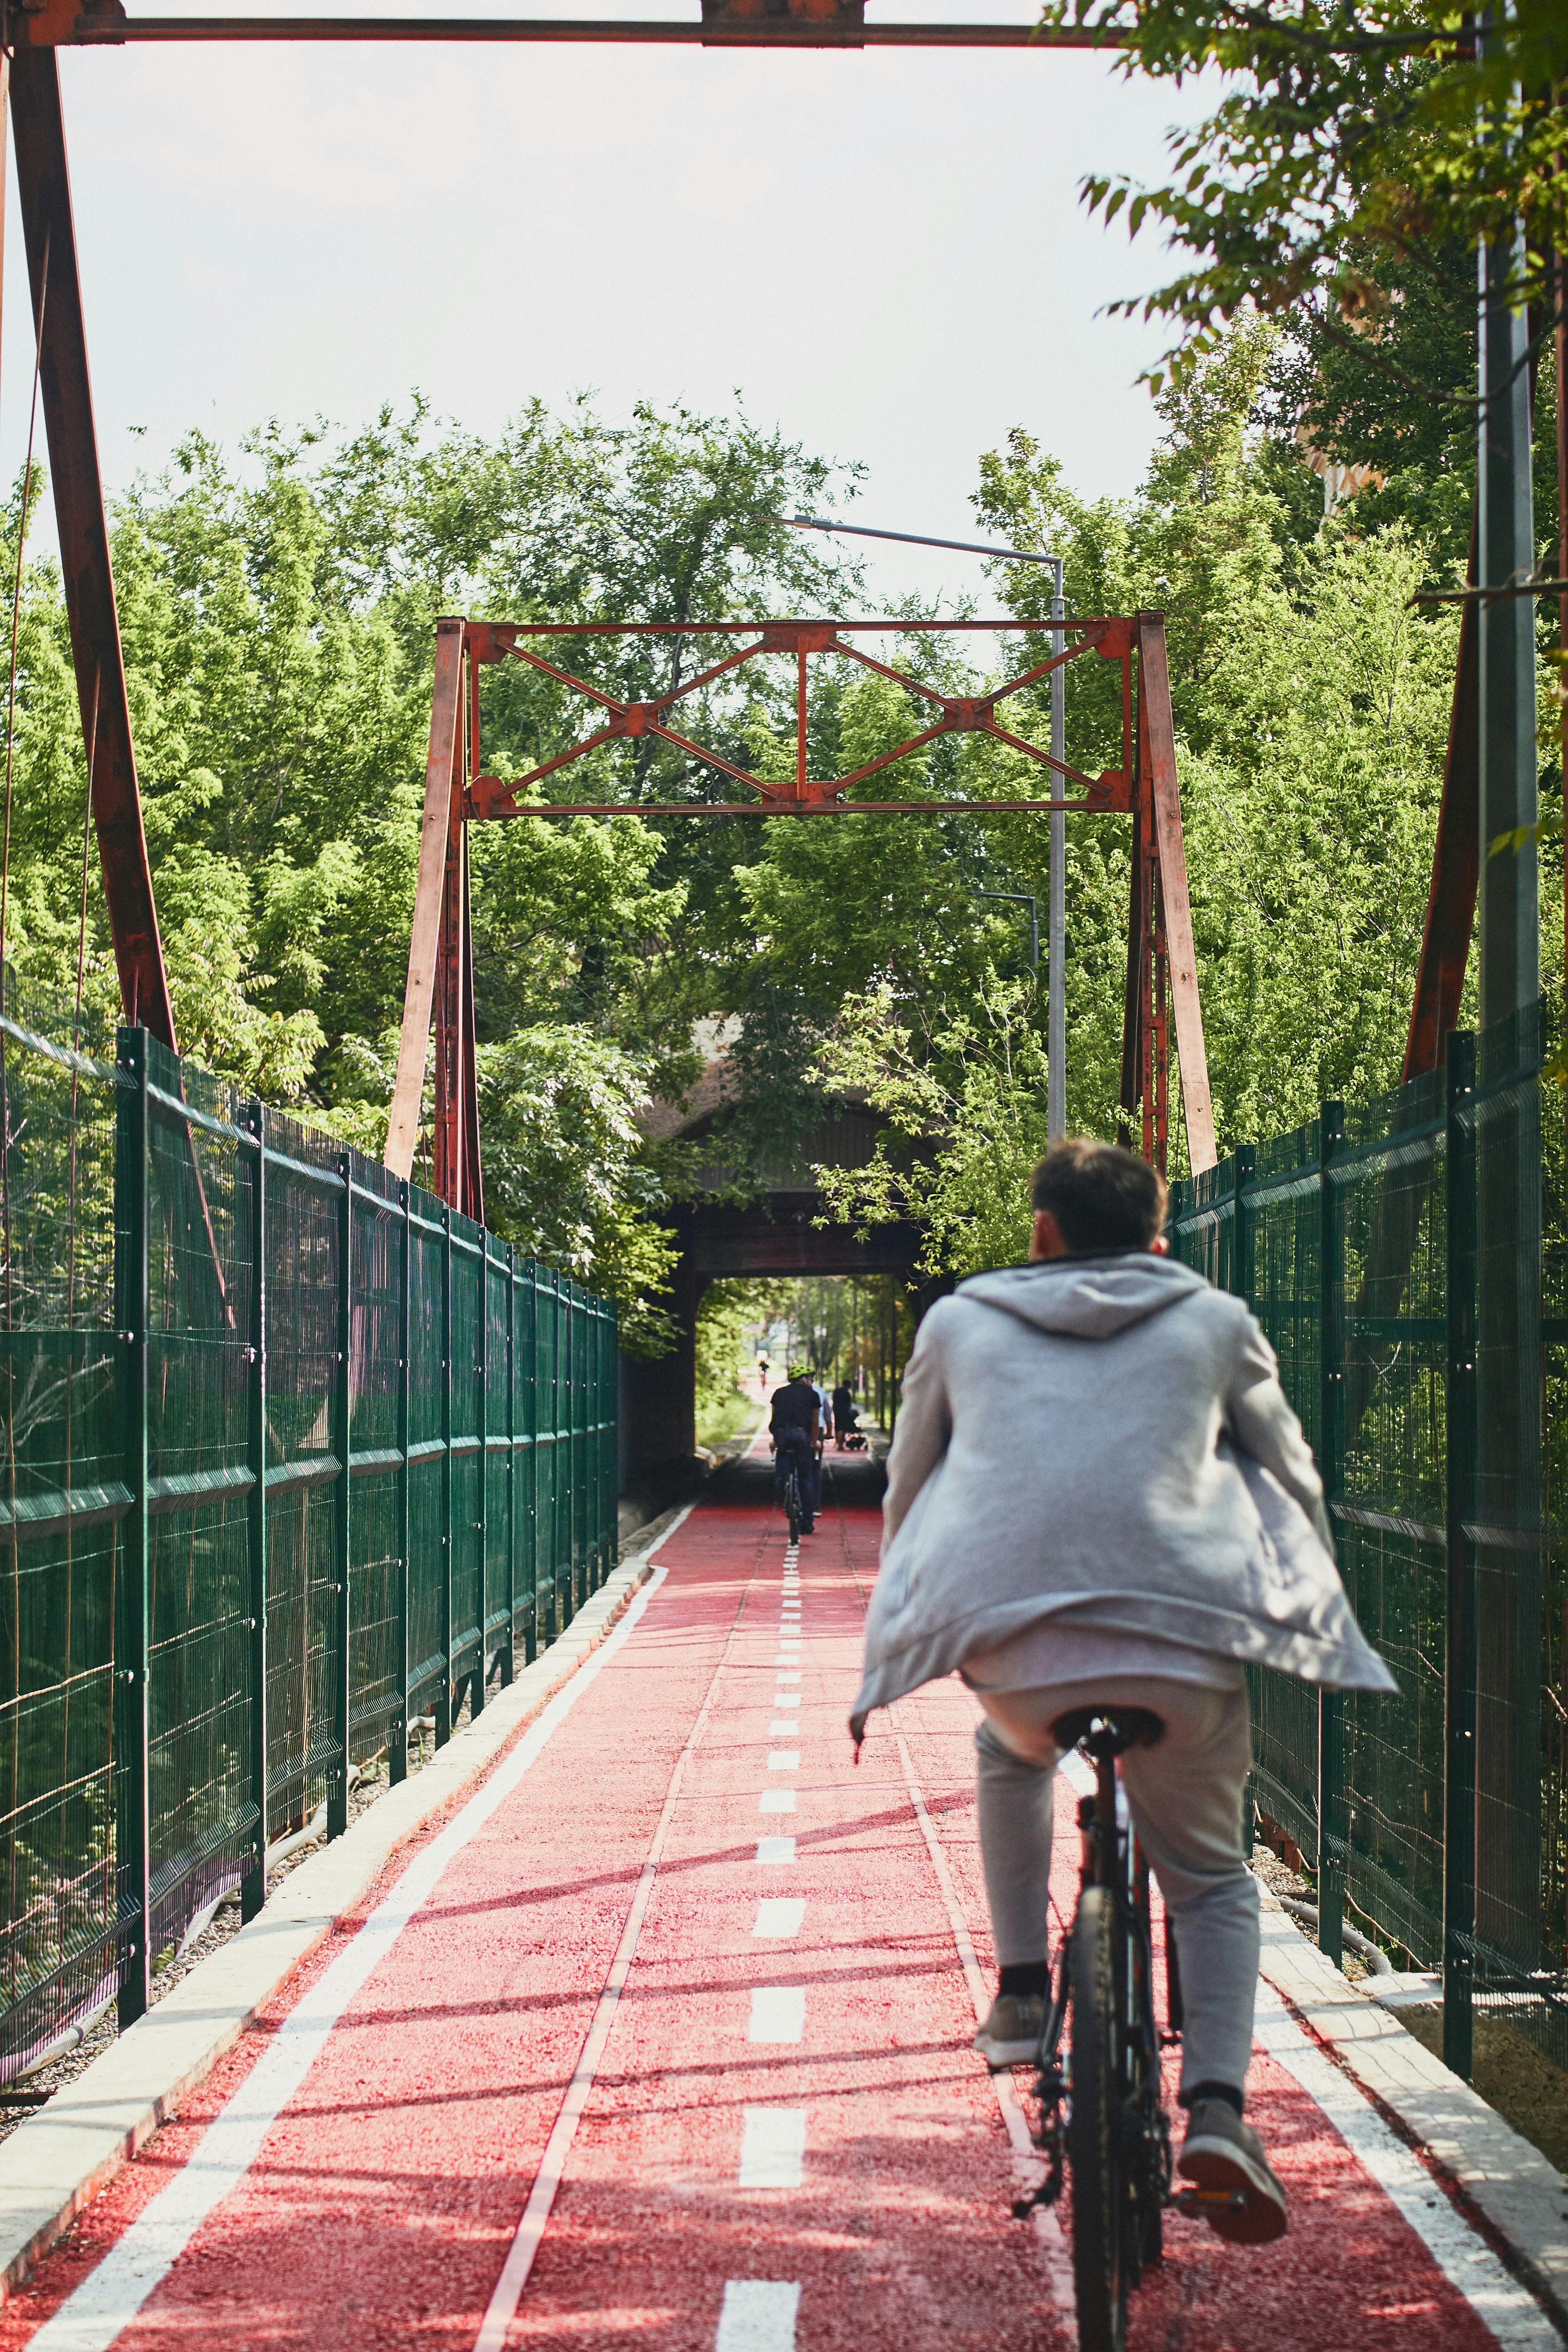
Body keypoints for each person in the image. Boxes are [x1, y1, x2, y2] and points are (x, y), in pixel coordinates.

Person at [850, 1138, 1394, 2248]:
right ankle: (1217, 2112)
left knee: (1008, 1751)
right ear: (1156, 1243)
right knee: (1207, 1876)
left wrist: (898, 1636)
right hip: (1181, 1648)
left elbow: (909, 1483)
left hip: (1014, 1649)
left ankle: (1015, 1988)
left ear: (1039, 1230)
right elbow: (1290, 1479)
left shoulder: (957, 1322)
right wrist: (1306, 1621)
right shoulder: (1212, 1319)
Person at [769, 1363, 820, 1533]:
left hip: (781, 1434)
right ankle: (808, 1521)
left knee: (783, 1455)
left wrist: (775, 1440)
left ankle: (783, 1480)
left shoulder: (778, 1393)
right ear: (804, 1379)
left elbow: (775, 1417)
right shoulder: (812, 1395)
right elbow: (814, 1424)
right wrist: (814, 1443)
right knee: (806, 1479)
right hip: (801, 1435)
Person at [832, 1379, 858, 1450]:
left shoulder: (836, 1391)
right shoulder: (847, 1393)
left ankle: (837, 1443)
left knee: (837, 1427)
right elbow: (849, 1404)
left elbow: (834, 1401)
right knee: (842, 1428)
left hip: (836, 1411)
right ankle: (840, 1445)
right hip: (844, 1412)